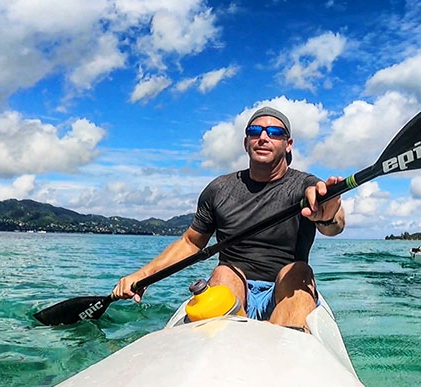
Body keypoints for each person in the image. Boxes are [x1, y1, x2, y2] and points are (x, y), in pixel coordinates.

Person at [113, 106, 344, 332]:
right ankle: (234, 335)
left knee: (299, 272)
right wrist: (143, 275)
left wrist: (328, 215)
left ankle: (282, 337)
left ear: (288, 144)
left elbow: (334, 225)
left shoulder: (305, 185)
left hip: (285, 289)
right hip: (233, 290)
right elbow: (191, 242)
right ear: (246, 142)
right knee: (224, 272)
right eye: (255, 131)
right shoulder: (219, 189)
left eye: (274, 133)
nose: (263, 137)